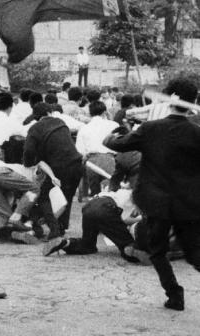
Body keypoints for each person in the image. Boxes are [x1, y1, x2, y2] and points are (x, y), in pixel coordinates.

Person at [103, 78, 200, 312]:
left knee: (157, 251)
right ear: (193, 100)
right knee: (194, 254)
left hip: (156, 203)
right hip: (188, 203)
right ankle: (176, 293)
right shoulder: (196, 132)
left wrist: (112, 135)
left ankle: (175, 295)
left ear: (171, 99)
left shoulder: (150, 129)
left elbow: (116, 144)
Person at [23, 110, 83, 239]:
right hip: (77, 163)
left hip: (59, 166)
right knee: (66, 195)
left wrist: (28, 163)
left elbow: (28, 151)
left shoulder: (35, 128)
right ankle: (61, 227)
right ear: (49, 112)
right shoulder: (60, 122)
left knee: (43, 196)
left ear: (36, 118)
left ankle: (54, 228)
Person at [75, 100, 118, 195]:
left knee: (95, 194)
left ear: (90, 113)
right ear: (105, 112)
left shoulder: (84, 128)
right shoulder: (114, 125)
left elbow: (80, 151)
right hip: (110, 160)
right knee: (110, 193)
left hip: (91, 162)